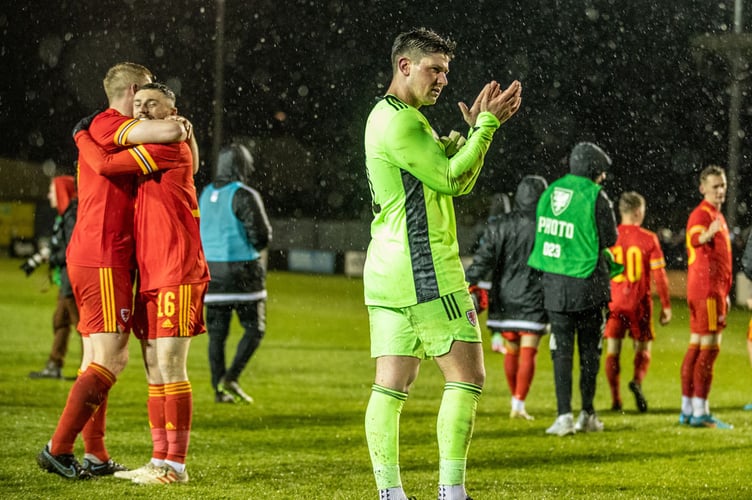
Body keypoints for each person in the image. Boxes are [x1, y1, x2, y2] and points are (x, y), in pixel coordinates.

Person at [362, 27, 522, 500]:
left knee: (390, 386)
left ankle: (390, 493)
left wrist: (470, 134)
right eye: (434, 69)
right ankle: (452, 492)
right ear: (404, 66)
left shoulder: (385, 116)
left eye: (446, 71)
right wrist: (486, 128)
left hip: (386, 269)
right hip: (425, 268)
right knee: (468, 377)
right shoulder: (405, 123)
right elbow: (453, 181)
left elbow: (440, 176)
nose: (442, 80)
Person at [37, 63, 189, 480]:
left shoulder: (100, 128)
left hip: (97, 252)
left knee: (96, 358)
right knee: (113, 358)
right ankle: (59, 449)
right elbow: (168, 135)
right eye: (144, 97)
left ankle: (97, 455)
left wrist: (81, 134)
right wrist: (175, 123)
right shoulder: (110, 123)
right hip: (105, 253)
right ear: (135, 91)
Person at [74, 82, 207, 484]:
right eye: (138, 104)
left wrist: (81, 135)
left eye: (153, 104)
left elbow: (107, 165)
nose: (144, 111)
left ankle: (176, 467)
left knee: (170, 365)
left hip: (177, 269)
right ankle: (158, 460)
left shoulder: (165, 146)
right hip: (150, 272)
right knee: (153, 367)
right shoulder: (154, 145)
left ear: (172, 111)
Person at [527, 142, 618, 436]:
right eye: (601, 172)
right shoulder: (595, 196)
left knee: (560, 352)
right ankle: (587, 414)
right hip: (588, 284)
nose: (603, 178)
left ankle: (563, 415)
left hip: (555, 286)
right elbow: (609, 239)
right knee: (590, 352)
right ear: (594, 170)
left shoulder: (550, 191)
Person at [465, 175, 549, 421]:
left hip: (503, 297)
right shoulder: (546, 225)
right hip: (534, 298)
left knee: (512, 351)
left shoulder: (499, 224)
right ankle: (518, 403)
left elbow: (483, 260)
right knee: (528, 353)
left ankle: (516, 401)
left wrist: (467, 282)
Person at [198, 143, 272, 404]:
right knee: (255, 330)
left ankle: (219, 387)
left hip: (210, 275)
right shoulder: (244, 194)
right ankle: (232, 377)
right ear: (243, 166)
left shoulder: (205, 193)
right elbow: (262, 236)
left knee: (217, 336)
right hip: (243, 274)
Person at [603, 191, 672, 413]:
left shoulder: (608, 236)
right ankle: (637, 381)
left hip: (614, 303)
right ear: (637, 211)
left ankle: (616, 399)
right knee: (642, 347)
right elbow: (659, 275)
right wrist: (666, 305)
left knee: (613, 349)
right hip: (638, 303)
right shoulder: (648, 238)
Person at [679, 165, 733, 429]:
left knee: (697, 348)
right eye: (715, 186)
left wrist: (727, 292)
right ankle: (701, 410)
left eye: (722, 185)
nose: (720, 190)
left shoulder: (716, 215)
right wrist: (706, 234)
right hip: (707, 291)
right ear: (702, 188)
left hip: (710, 291)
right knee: (709, 352)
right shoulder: (702, 215)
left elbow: (721, 259)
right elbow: (696, 238)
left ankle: (687, 408)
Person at [24, 175, 81, 380]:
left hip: (72, 279)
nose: (49, 195)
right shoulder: (66, 214)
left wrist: (55, 258)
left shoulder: (71, 214)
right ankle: (55, 364)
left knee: (81, 324)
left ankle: (91, 369)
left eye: (52, 190)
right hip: (66, 278)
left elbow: (71, 248)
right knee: (61, 321)